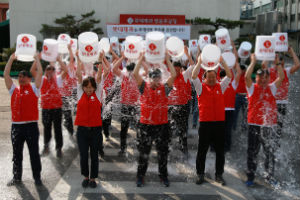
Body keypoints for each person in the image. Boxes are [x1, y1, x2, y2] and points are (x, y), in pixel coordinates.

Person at [133, 53, 176, 187]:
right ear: (149, 78)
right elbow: (135, 73)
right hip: (145, 126)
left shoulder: (165, 89)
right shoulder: (143, 87)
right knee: (143, 153)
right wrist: (141, 58)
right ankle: (140, 176)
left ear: (160, 79)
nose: (156, 81)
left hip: (162, 126)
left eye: (158, 78)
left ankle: (163, 176)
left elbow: (173, 75)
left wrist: (167, 59)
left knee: (162, 154)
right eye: (154, 78)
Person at [191, 54, 232, 186]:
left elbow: (230, 76)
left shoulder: (221, 86)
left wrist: (222, 62)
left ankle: (219, 175)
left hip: (219, 123)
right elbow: (193, 76)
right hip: (205, 124)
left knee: (220, 151)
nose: (212, 79)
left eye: (214, 77)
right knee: (202, 151)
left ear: (217, 77)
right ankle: (200, 174)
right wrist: (199, 62)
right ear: (205, 78)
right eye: (209, 77)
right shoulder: (200, 87)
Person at [245, 54, 284, 187]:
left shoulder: (272, 88)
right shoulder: (251, 88)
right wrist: (253, 62)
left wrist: (278, 64)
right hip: (254, 125)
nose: (263, 79)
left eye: (266, 77)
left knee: (269, 152)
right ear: (256, 78)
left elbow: (282, 77)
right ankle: (250, 177)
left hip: (268, 125)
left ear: (268, 79)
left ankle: (269, 176)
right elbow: (246, 77)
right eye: (260, 77)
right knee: (252, 152)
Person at [4, 53, 43, 186]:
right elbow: (6, 75)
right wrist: (11, 59)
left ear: (29, 78)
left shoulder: (34, 88)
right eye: (19, 76)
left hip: (31, 126)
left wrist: (36, 58)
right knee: (17, 154)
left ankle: (37, 178)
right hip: (16, 127)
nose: (20, 78)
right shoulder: (14, 90)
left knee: (34, 154)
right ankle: (16, 178)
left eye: (23, 76)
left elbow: (40, 73)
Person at [74, 51, 107, 188]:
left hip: (95, 131)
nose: (89, 90)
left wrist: (99, 61)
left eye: (91, 87)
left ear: (94, 87)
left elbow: (99, 76)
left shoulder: (98, 93)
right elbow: (78, 75)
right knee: (83, 155)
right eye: (86, 87)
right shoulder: (80, 92)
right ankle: (85, 177)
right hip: (82, 130)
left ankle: (93, 178)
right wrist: (78, 59)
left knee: (94, 155)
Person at [31, 56, 66, 158]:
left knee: (57, 128)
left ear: (55, 71)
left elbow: (66, 70)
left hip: (57, 108)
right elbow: (33, 70)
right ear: (45, 71)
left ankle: (59, 148)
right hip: (46, 109)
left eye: (52, 69)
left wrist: (59, 59)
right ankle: (46, 147)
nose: (50, 71)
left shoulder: (58, 79)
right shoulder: (41, 79)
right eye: (48, 69)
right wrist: (37, 58)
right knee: (47, 128)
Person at [263, 47, 300, 141]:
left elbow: (298, 65)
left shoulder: (286, 71)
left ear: (283, 63)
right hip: (271, 102)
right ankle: (267, 141)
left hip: (282, 102)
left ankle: (276, 143)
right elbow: (263, 65)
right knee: (268, 124)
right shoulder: (270, 71)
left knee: (279, 126)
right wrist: (269, 52)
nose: (278, 61)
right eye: (276, 60)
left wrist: (291, 51)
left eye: (280, 60)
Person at [168, 46, 194, 157]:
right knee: (169, 128)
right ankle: (167, 149)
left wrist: (188, 54)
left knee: (183, 129)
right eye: (175, 70)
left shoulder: (184, 75)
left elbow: (193, 66)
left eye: (178, 70)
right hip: (172, 106)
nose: (177, 72)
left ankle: (184, 150)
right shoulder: (170, 76)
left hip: (183, 106)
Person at [112, 53, 140, 156]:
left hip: (135, 105)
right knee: (124, 128)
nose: (130, 73)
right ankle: (123, 148)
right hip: (125, 105)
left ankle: (138, 147)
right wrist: (123, 57)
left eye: (131, 71)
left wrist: (141, 58)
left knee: (138, 127)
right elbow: (114, 69)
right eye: (129, 71)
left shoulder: (138, 76)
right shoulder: (124, 75)